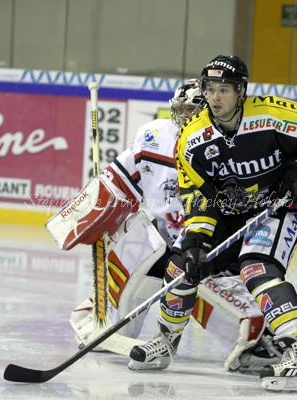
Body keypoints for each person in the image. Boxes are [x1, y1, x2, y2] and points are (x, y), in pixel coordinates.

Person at [128, 55, 297, 393]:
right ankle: (166, 342)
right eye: (210, 89)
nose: (215, 97)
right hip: (229, 213)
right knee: (182, 265)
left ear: (241, 91)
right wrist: (196, 239)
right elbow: (198, 196)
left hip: (277, 209)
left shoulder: (272, 114)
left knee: (256, 268)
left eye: (224, 90)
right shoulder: (193, 139)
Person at [68, 79, 274, 372]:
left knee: (198, 279)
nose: (186, 116)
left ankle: (255, 341)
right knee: (134, 241)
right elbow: (119, 179)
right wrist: (97, 209)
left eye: (193, 110)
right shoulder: (154, 135)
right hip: (165, 236)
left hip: (208, 242)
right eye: (182, 109)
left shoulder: (230, 146)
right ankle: (107, 317)